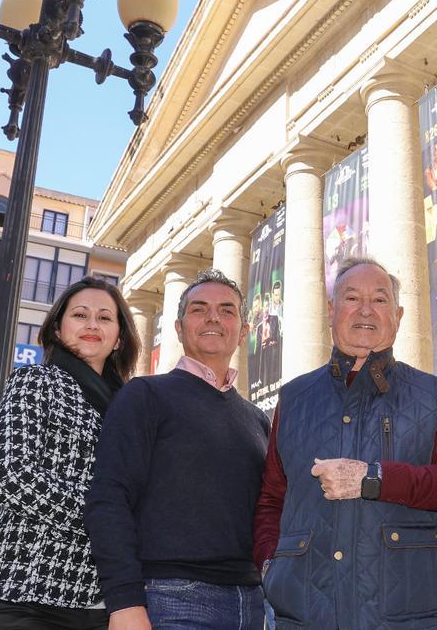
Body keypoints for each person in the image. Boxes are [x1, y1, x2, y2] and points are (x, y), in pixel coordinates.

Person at [253, 257, 437, 629]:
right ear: (330, 311)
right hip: (305, 616)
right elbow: (272, 499)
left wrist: (375, 478)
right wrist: (271, 566)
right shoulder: (293, 399)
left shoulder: (432, 394)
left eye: (380, 299)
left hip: (405, 616)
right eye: (352, 297)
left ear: (399, 315)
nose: (366, 310)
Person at [86, 268, 270, 630]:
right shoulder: (144, 395)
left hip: (250, 603)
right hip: (170, 600)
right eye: (199, 309)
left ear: (244, 331)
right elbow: (109, 498)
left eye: (227, 310)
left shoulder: (257, 419)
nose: (214, 317)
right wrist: (124, 602)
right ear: (179, 327)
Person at [0, 276, 139, 629]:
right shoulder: (37, 381)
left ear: (119, 337)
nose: (91, 324)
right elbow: (8, 475)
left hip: (98, 601)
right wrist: (105, 517)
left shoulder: (131, 407)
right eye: (79, 315)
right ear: (57, 329)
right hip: (18, 592)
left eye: (104, 318)